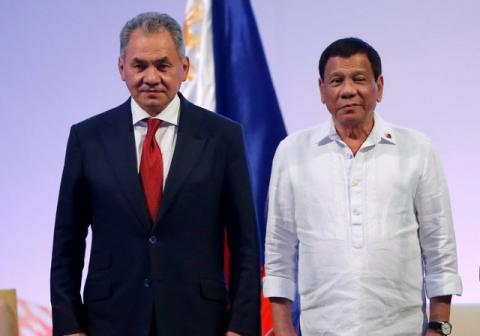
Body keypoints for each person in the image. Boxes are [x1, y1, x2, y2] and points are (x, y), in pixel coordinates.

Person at [50, 12, 260, 336]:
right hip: (110, 322)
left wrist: (241, 328)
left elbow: (245, 243)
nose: (151, 77)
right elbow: (67, 244)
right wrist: (69, 328)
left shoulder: (223, 137)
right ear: (122, 68)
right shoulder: (87, 138)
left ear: (184, 69)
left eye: (162, 65)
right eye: (139, 65)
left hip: (200, 322)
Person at [262, 37, 462, 335]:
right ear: (322, 91)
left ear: (379, 87)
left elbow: (439, 248)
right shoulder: (292, 152)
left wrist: (439, 326)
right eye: (336, 80)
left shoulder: (418, 149)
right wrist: (282, 328)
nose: (347, 91)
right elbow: (279, 251)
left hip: (402, 329)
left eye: (359, 79)